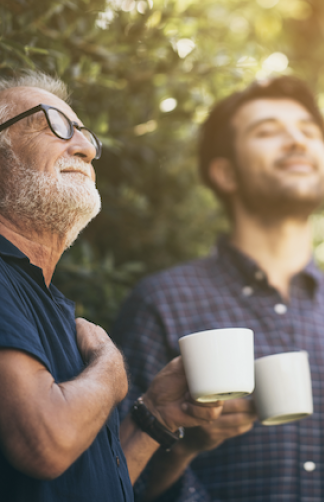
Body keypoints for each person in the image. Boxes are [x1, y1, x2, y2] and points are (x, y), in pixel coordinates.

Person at [114, 76, 324, 502]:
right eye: (268, 131)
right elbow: (106, 485)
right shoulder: (161, 304)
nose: (297, 141)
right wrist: (181, 446)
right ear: (225, 173)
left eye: (309, 132)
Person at [0, 71, 223, 502]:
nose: (85, 148)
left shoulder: (44, 300)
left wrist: (154, 416)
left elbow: (79, 484)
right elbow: (44, 444)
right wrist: (110, 368)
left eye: (84, 134)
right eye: (53, 124)